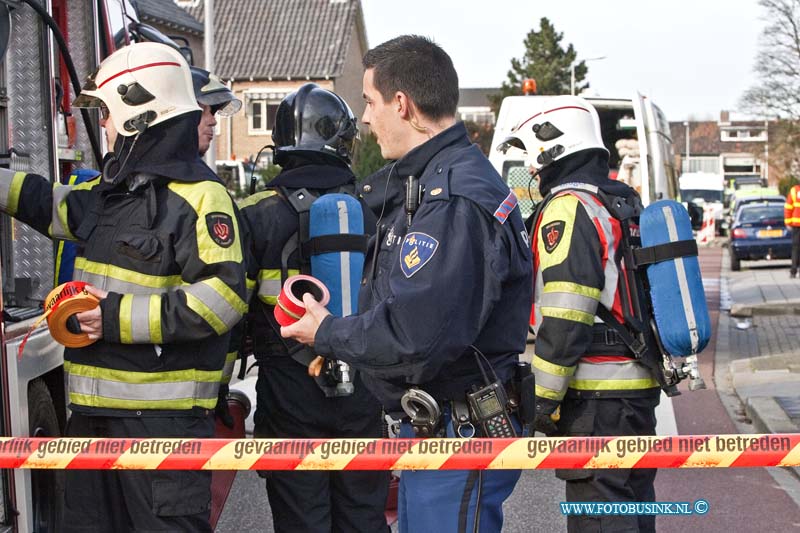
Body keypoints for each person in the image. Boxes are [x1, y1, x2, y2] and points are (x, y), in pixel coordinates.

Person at [281, 35, 532, 533]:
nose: (366, 119)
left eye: (370, 102)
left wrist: (327, 332)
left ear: (402, 104)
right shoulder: (432, 181)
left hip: (459, 435)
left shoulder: (453, 199)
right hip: (440, 431)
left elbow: (416, 336)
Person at [0, 42, 246, 532]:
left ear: (140, 114)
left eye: (108, 113)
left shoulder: (201, 197)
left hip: (163, 430)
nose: (104, 127)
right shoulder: (113, 195)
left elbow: (223, 299)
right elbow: (49, 205)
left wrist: (110, 317)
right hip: (92, 421)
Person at [499, 95, 661, 532]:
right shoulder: (620, 200)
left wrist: (542, 402)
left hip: (597, 402)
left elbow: (567, 313)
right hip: (636, 393)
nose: (532, 170)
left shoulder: (569, 208)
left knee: (602, 522)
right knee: (634, 514)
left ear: (554, 150)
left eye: (534, 159)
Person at [238, 83, 389, 533]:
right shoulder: (374, 211)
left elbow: (232, 313)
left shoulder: (253, 213)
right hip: (363, 391)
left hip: (288, 396)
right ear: (342, 144)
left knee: (301, 520)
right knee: (363, 517)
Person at [785, 182, 800, 278]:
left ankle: (793, 270)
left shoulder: (794, 190)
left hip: (796, 225)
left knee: (796, 248)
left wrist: (788, 222)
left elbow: (788, 207)